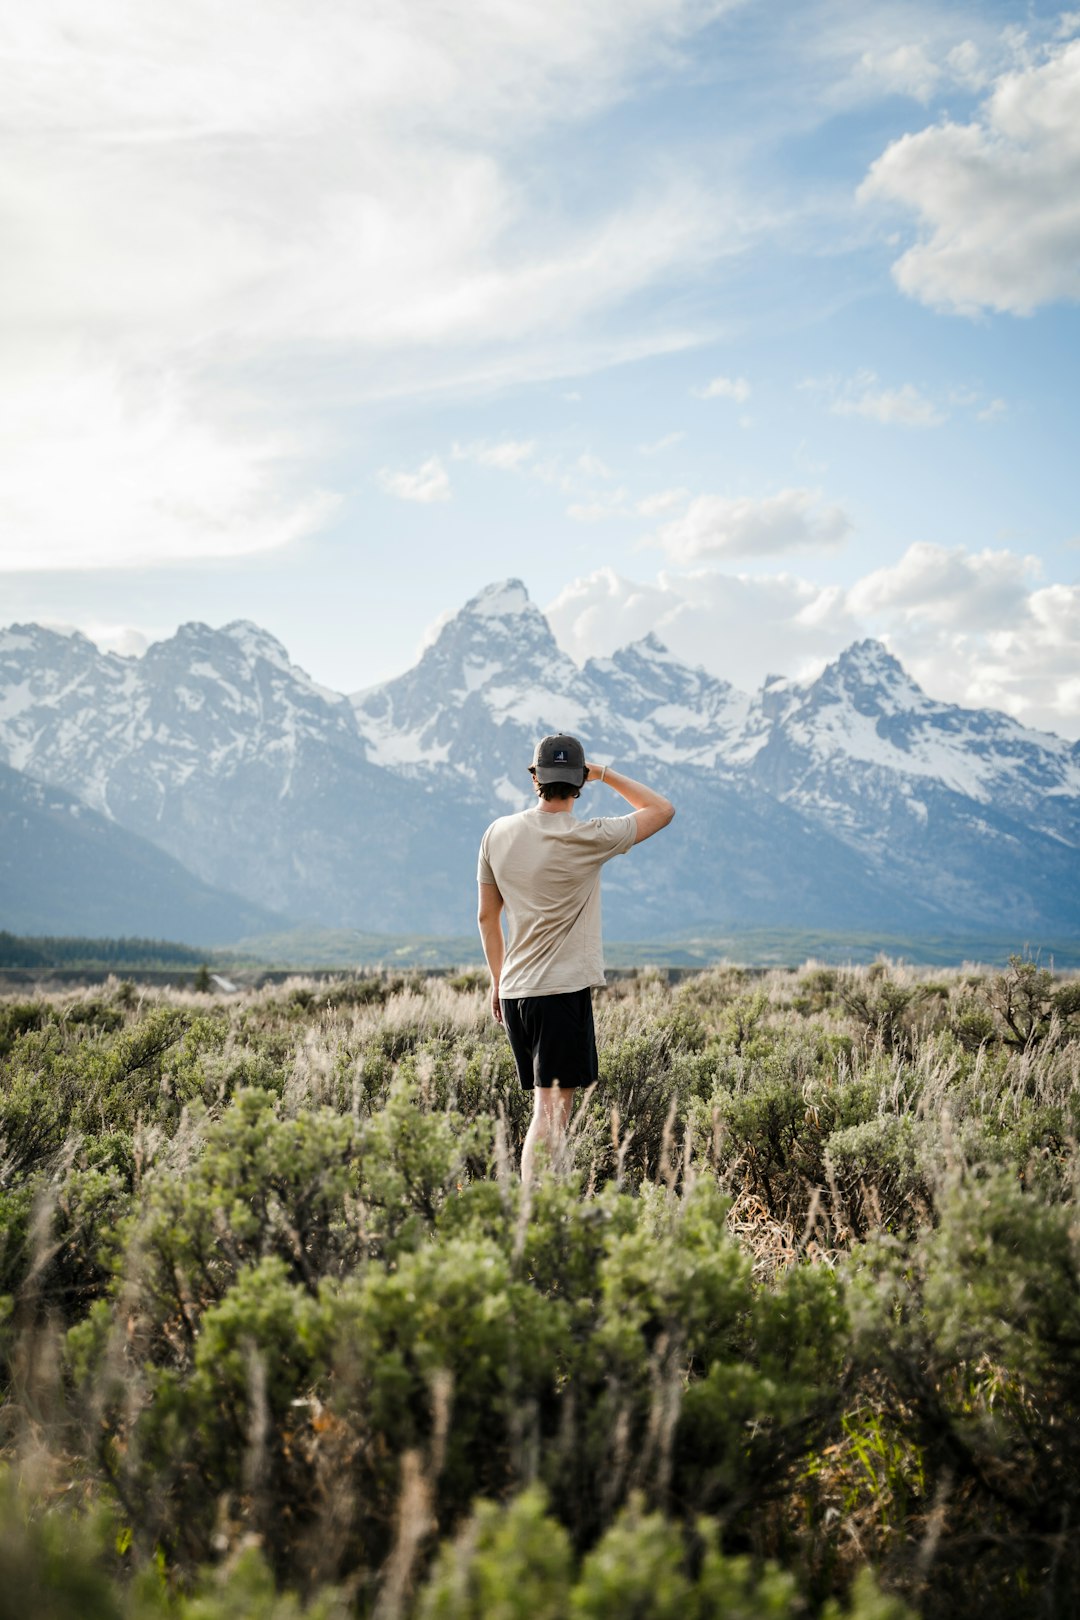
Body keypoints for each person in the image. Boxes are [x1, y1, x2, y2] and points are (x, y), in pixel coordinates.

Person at [476, 733, 675, 1182]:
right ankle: (537, 1214)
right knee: (551, 1110)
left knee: (545, 1106)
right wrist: (604, 772)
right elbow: (662, 810)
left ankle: (540, 1209)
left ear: (535, 779)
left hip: (515, 993)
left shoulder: (497, 833)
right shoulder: (589, 836)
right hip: (560, 992)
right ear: (579, 784)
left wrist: (496, 980)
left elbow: (487, 917)